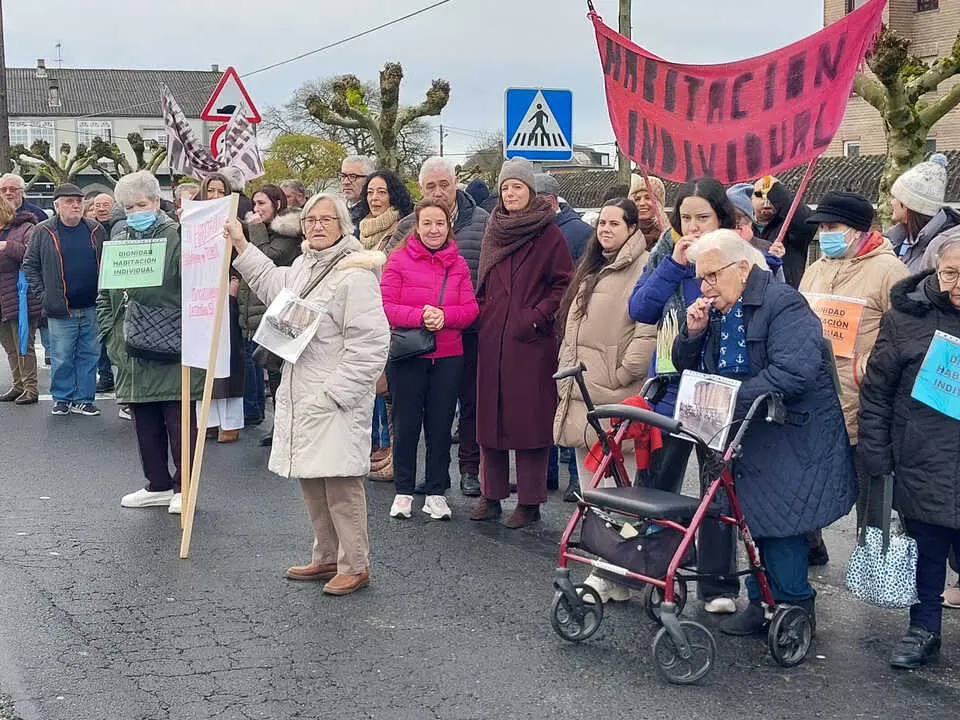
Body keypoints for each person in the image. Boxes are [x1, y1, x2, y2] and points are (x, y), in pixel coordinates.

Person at [676, 229, 857, 635]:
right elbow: (690, 365)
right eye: (700, 278)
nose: (704, 287)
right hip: (746, 432)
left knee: (782, 527)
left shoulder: (785, 304)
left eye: (711, 277)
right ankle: (761, 604)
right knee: (752, 522)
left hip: (790, 435)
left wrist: (727, 396)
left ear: (742, 268)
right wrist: (692, 334)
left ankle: (794, 607)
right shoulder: (719, 308)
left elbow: (794, 372)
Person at [227, 191, 389, 596]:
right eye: (311, 219)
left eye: (326, 220)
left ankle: (355, 563)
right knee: (312, 478)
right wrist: (242, 245)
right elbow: (270, 283)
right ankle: (326, 555)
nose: (317, 226)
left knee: (340, 482)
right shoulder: (303, 265)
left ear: (342, 226)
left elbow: (370, 346)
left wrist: (335, 395)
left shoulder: (355, 275)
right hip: (304, 393)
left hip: (333, 399)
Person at [628, 177, 759, 613]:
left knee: (716, 486)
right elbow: (640, 309)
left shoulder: (738, 259)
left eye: (703, 217)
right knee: (659, 482)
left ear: (721, 217)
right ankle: (657, 567)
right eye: (686, 217)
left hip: (716, 391)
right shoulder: (667, 254)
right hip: (668, 385)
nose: (694, 226)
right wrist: (674, 267)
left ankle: (717, 586)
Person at [857, 235, 960, 669]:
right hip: (923, 457)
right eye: (951, 272)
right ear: (936, 270)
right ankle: (923, 630)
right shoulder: (907, 317)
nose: (958, 284)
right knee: (928, 552)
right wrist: (878, 458)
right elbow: (877, 394)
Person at [554, 198, 656, 601]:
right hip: (581, 391)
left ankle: (612, 570)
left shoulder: (643, 267)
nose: (606, 229)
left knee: (618, 488)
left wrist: (624, 371)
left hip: (614, 393)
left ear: (632, 228)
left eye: (616, 223)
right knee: (591, 488)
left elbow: (647, 327)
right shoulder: (592, 265)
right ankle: (606, 565)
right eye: (602, 222)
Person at [799, 191, 910, 563]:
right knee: (808, 479)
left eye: (833, 227)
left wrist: (872, 366)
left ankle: (872, 559)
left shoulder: (889, 271)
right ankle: (810, 543)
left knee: (869, 485)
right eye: (821, 227)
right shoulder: (817, 268)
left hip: (863, 400)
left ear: (860, 231)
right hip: (816, 396)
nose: (824, 235)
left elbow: (907, 335)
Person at [471, 158, 574, 529]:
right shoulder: (493, 229)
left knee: (529, 423)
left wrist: (535, 316)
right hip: (492, 337)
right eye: (506, 187)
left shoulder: (549, 234)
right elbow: (481, 279)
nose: (511, 193)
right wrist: (484, 313)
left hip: (530, 342)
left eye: (518, 187)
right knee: (491, 421)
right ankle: (491, 494)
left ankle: (530, 501)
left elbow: (563, 284)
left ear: (531, 192)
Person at [386, 156, 491, 497]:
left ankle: (469, 470)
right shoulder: (406, 227)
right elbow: (389, 282)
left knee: (467, 408)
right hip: (417, 338)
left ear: (455, 181)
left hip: (469, 328)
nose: (439, 191)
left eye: (444, 184)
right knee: (419, 413)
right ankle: (430, 478)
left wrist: (463, 312)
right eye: (431, 186)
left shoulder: (481, 220)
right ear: (421, 189)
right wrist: (421, 315)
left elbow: (490, 272)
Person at [98, 172, 202, 514]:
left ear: (158, 202)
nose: (135, 212)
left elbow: (194, 285)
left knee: (176, 415)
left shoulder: (178, 236)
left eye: (141, 205)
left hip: (169, 340)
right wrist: (108, 331)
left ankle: (184, 486)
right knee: (144, 416)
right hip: (130, 344)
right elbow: (106, 293)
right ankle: (157, 483)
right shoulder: (121, 236)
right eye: (128, 207)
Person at [381, 200, 479, 520]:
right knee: (406, 424)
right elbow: (386, 306)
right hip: (409, 355)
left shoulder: (459, 264)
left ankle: (436, 491)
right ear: (417, 226)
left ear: (448, 227)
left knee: (440, 427)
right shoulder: (397, 260)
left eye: (440, 224)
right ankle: (404, 491)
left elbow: (470, 310)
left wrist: (445, 316)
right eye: (427, 224)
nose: (434, 230)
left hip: (448, 355)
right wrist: (422, 315)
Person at [23, 183, 105, 416]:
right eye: (69, 201)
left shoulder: (95, 229)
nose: (75, 205)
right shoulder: (43, 231)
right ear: (57, 205)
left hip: (92, 306)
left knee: (90, 356)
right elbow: (30, 266)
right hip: (61, 308)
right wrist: (45, 296)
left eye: (78, 201)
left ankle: (84, 399)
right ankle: (62, 398)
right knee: (62, 356)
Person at [238, 184, 302, 432]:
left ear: (277, 204)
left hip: (281, 312)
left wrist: (253, 229)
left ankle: (287, 429)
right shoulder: (262, 230)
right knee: (272, 373)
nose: (256, 209)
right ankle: (279, 428)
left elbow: (265, 258)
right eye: (254, 204)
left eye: (262, 204)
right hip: (258, 311)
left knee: (281, 375)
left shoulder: (287, 232)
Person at [198, 173, 246, 442]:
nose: (215, 196)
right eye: (211, 191)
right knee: (203, 358)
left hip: (226, 296)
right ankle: (207, 419)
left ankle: (230, 421)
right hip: (200, 297)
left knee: (228, 358)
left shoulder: (235, 223)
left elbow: (244, 254)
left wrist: (235, 281)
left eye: (221, 191)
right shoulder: (193, 222)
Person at [886, 154, 958, 272]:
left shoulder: (943, 248)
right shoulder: (894, 240)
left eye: (895, 197)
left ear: (908, 204)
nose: (891, 202)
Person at [0, 199, 40, 405]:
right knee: (10, 346)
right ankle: (18, 385)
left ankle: (31, 388)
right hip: (2, 299)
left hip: (19, 295)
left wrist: (8, 246)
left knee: (24, 343)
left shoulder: (26, 228)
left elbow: (31, 255)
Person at [751, 175, 816, 289]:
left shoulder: (790, 226)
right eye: (759, 195)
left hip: (786, 297)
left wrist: (776, 189)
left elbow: (806, 223)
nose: (766, 200)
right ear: (750, 199)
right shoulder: (745, 229)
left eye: (770, 195)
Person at [727, 183, 786, 280]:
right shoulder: (716, 245)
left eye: (741, 217)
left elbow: (779, 286)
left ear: (750, 219)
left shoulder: (765, 248)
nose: (735, 222)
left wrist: (774, 263)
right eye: (729, 217)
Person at [534, 173, 591, 264]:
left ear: (551, 201)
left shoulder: (581, 232)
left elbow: (587, 272)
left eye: (533, 202)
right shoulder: (527, 229)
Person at [356, 169, 412, 252]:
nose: (374, 198)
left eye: (382, 192)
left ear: (394, 196)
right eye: (370, 192)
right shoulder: (359, 228)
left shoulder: (404, 229)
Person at [628, 173, 667, 250]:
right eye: (637, 199)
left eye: (648, 198)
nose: (642, 203)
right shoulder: (624, 232)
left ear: (658, 203)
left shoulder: (668, 237)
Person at [340, 155, 376, 234]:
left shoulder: (375, 215)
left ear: (369, 180)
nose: (346, 182)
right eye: (343, 176)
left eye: (353, 176)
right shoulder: (338, 211)